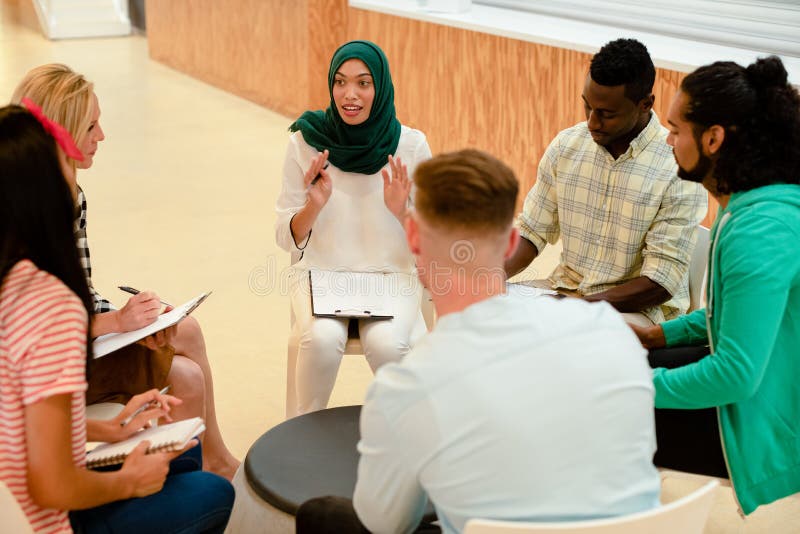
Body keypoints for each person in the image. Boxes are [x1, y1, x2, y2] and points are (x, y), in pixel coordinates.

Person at [296, 149, 661, 534]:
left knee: (322, 517)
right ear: (510, 243)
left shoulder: (407, 387)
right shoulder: (609, 329)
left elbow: (386, 523)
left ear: (413, 235)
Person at [0, 103, 234, 533]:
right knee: (213, 492)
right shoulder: (48, 301)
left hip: (21, 493)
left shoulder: (12, 285)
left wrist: (112, 431)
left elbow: (19, 422)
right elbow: (51, 486)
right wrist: (128, 481)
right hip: (47, 516)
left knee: (182, 460)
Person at [630, 56, 800, 515]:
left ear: (713, 138)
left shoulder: (760, 230)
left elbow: (736, 374)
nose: (667, 141)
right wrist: (655, 335)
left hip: (772, 420)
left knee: (601, 410)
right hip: (763, 387)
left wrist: (632, 386)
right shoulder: (748, 203)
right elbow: (727, 321)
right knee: (627, 360)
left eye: (674, 129)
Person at [275, 40, 432, 414]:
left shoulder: (410, 145)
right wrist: (313, 206)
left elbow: (434, 240)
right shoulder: (306, 141)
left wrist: (401, 211)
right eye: (340, 82)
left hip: (390, 274)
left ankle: (408, 444)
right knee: (319, 338)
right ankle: (300, 441)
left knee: (388, 344)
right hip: (320, 273)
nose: (350, 95)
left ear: (380, 87)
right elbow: (285, 236)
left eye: (363, 83)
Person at [505, 38, 707, 327]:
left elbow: (659, 283)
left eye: (607, 114)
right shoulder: (567, 146)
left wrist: (577, 308)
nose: (592, 122)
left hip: (639, 313)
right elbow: (532, 231)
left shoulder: (677, 168)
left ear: (645, 104)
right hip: (566, 292)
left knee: (550, 340)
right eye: (587, 106)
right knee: (486, 319)